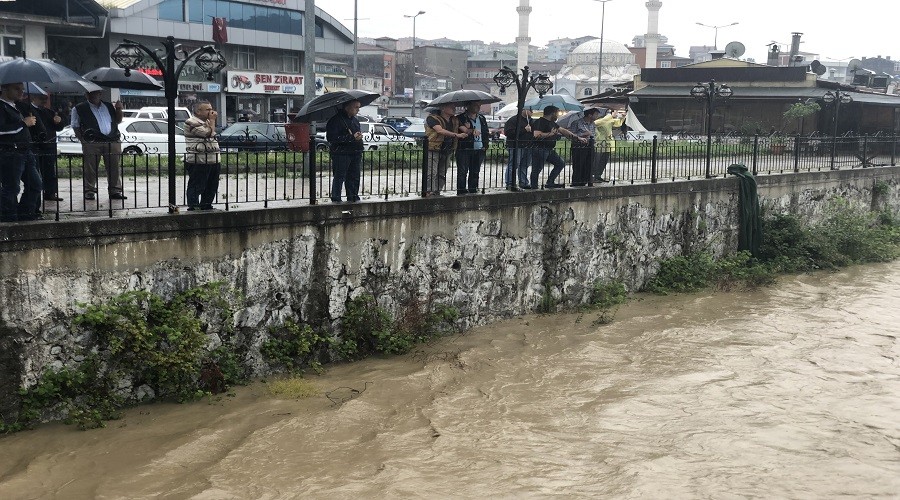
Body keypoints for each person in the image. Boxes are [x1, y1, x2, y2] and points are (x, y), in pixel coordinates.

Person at [71, 90, 126, 200]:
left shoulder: (109, 106)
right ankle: (89, 190)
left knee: (114, 166)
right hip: (92, 142)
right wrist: (83, 140)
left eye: (96, 93)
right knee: (90, 167)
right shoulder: (79, 108)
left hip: (112, 140)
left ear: (100, 94)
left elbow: (118, 121)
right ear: (86, 95)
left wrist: (119, 109)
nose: (93, 96)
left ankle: (115, 190)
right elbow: (75, 125)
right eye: (90, 93)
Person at [0, 82, 42, 222]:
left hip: (25, 151)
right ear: (4, 88)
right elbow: (2, 130)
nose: (21, 92)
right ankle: (8, 216)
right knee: (11, 187)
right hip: (10, 152)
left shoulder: (16, 106)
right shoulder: (1, 106)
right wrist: (23, 123)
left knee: (35, 184)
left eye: (22, 89)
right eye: (17, 89)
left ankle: (25, 213)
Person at [530, 105, 586, 189]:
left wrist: (578, 138)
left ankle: (550, 182)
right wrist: (551, 133)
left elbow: (563, 131)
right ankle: (534, 186)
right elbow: (537, 135)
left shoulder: (552, 123)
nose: (558, 115)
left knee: (560, 163)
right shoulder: (540, 122)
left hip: (549, 149)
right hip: (540, 148)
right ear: (552, 113)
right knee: (537, 169)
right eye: (557, 113)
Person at [183, 100, 221, 211]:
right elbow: (207, 134)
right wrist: (213, 122)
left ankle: (206, 205)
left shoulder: (208, 122)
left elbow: (212, 134)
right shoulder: (191, 122)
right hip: (198, 160)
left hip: (213, 160)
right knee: (197, 185)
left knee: (211, 186)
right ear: (199, 111)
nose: (211, 112)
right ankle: (194, 207)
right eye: (208, 109)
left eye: (211, 109)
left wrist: (211, 123)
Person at [325, 99, 364, 203]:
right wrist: (351, 138)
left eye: (358, 107)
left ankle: (353, 196)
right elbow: (332, 138)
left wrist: (358, 138)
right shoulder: (335, 120)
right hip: (341, 153)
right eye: (356, 107)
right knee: (339, 176)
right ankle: (336, 198)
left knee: (354, 176)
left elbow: (357, 133)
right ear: (347, 107)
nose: (358, 110)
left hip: (355, 152)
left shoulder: (355, 120)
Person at [29, 93, 66, 202]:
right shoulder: (29, 110)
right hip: (35, 145)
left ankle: (50, 192)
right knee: (34, 171)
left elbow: (59, 127)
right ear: (34, 98)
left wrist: (58, 121)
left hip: (49, 145)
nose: (44, 101)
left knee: (49, 170)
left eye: (46, 98)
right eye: (41, 98)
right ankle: (35, 195)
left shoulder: (49, 112)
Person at [424, 103, 465, 196]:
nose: (454, 108)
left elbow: (464, 129)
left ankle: (437, 191)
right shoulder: (432, 118)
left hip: (448, 150)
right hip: (433, 148)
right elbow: (439, 130)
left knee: (442, 173)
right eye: (451, 107)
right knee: (431, 172)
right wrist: (456, 135)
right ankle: (429, 191)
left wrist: (471, 130)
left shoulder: (454, 119)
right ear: (443, 108)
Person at [455, 101, 490, 195]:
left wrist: (485, 145)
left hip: (479, 148)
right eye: (475, 105)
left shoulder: (482, 118)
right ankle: (461, 190)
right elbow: (461, 131)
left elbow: (485, 132)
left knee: (475, 171)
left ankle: (473, 188)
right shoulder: (461, 118)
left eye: (479, 105)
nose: (478, 107)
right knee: (462, 171)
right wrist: (470, 130)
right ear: (468, 106)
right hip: (464, 148)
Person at [568, 107, 603, 186]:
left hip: (590, 146)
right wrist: (583, 134)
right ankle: (576, 182)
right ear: (590, 115)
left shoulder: (592, 124)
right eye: (596, 114)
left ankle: (587, 180)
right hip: (579, 147)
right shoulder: (576, 123)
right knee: (579, 164)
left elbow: (593, 134)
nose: (597, 116)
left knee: (589, 164)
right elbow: (571, 135)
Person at [503, 108, 533, 190]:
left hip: (528, 146)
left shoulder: (531, 121)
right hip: (516, 146)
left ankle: (523, 182)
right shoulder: (513, 120)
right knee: (514, 164)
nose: (532, 112)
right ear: (524, 110)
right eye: (530, 110)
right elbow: (508, 132)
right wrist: (524, 130)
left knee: (525, 165)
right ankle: (509, 182)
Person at [593, 108, 625, 182]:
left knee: (603, 161)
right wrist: (610, 115)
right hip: (599, 144)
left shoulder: (609, 120)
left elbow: (618, 123)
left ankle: (598, 175)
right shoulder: (599, 121)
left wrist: (622, 117)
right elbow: (601, 122)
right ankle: (593, 176)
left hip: (607, 144)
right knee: (596, 161)